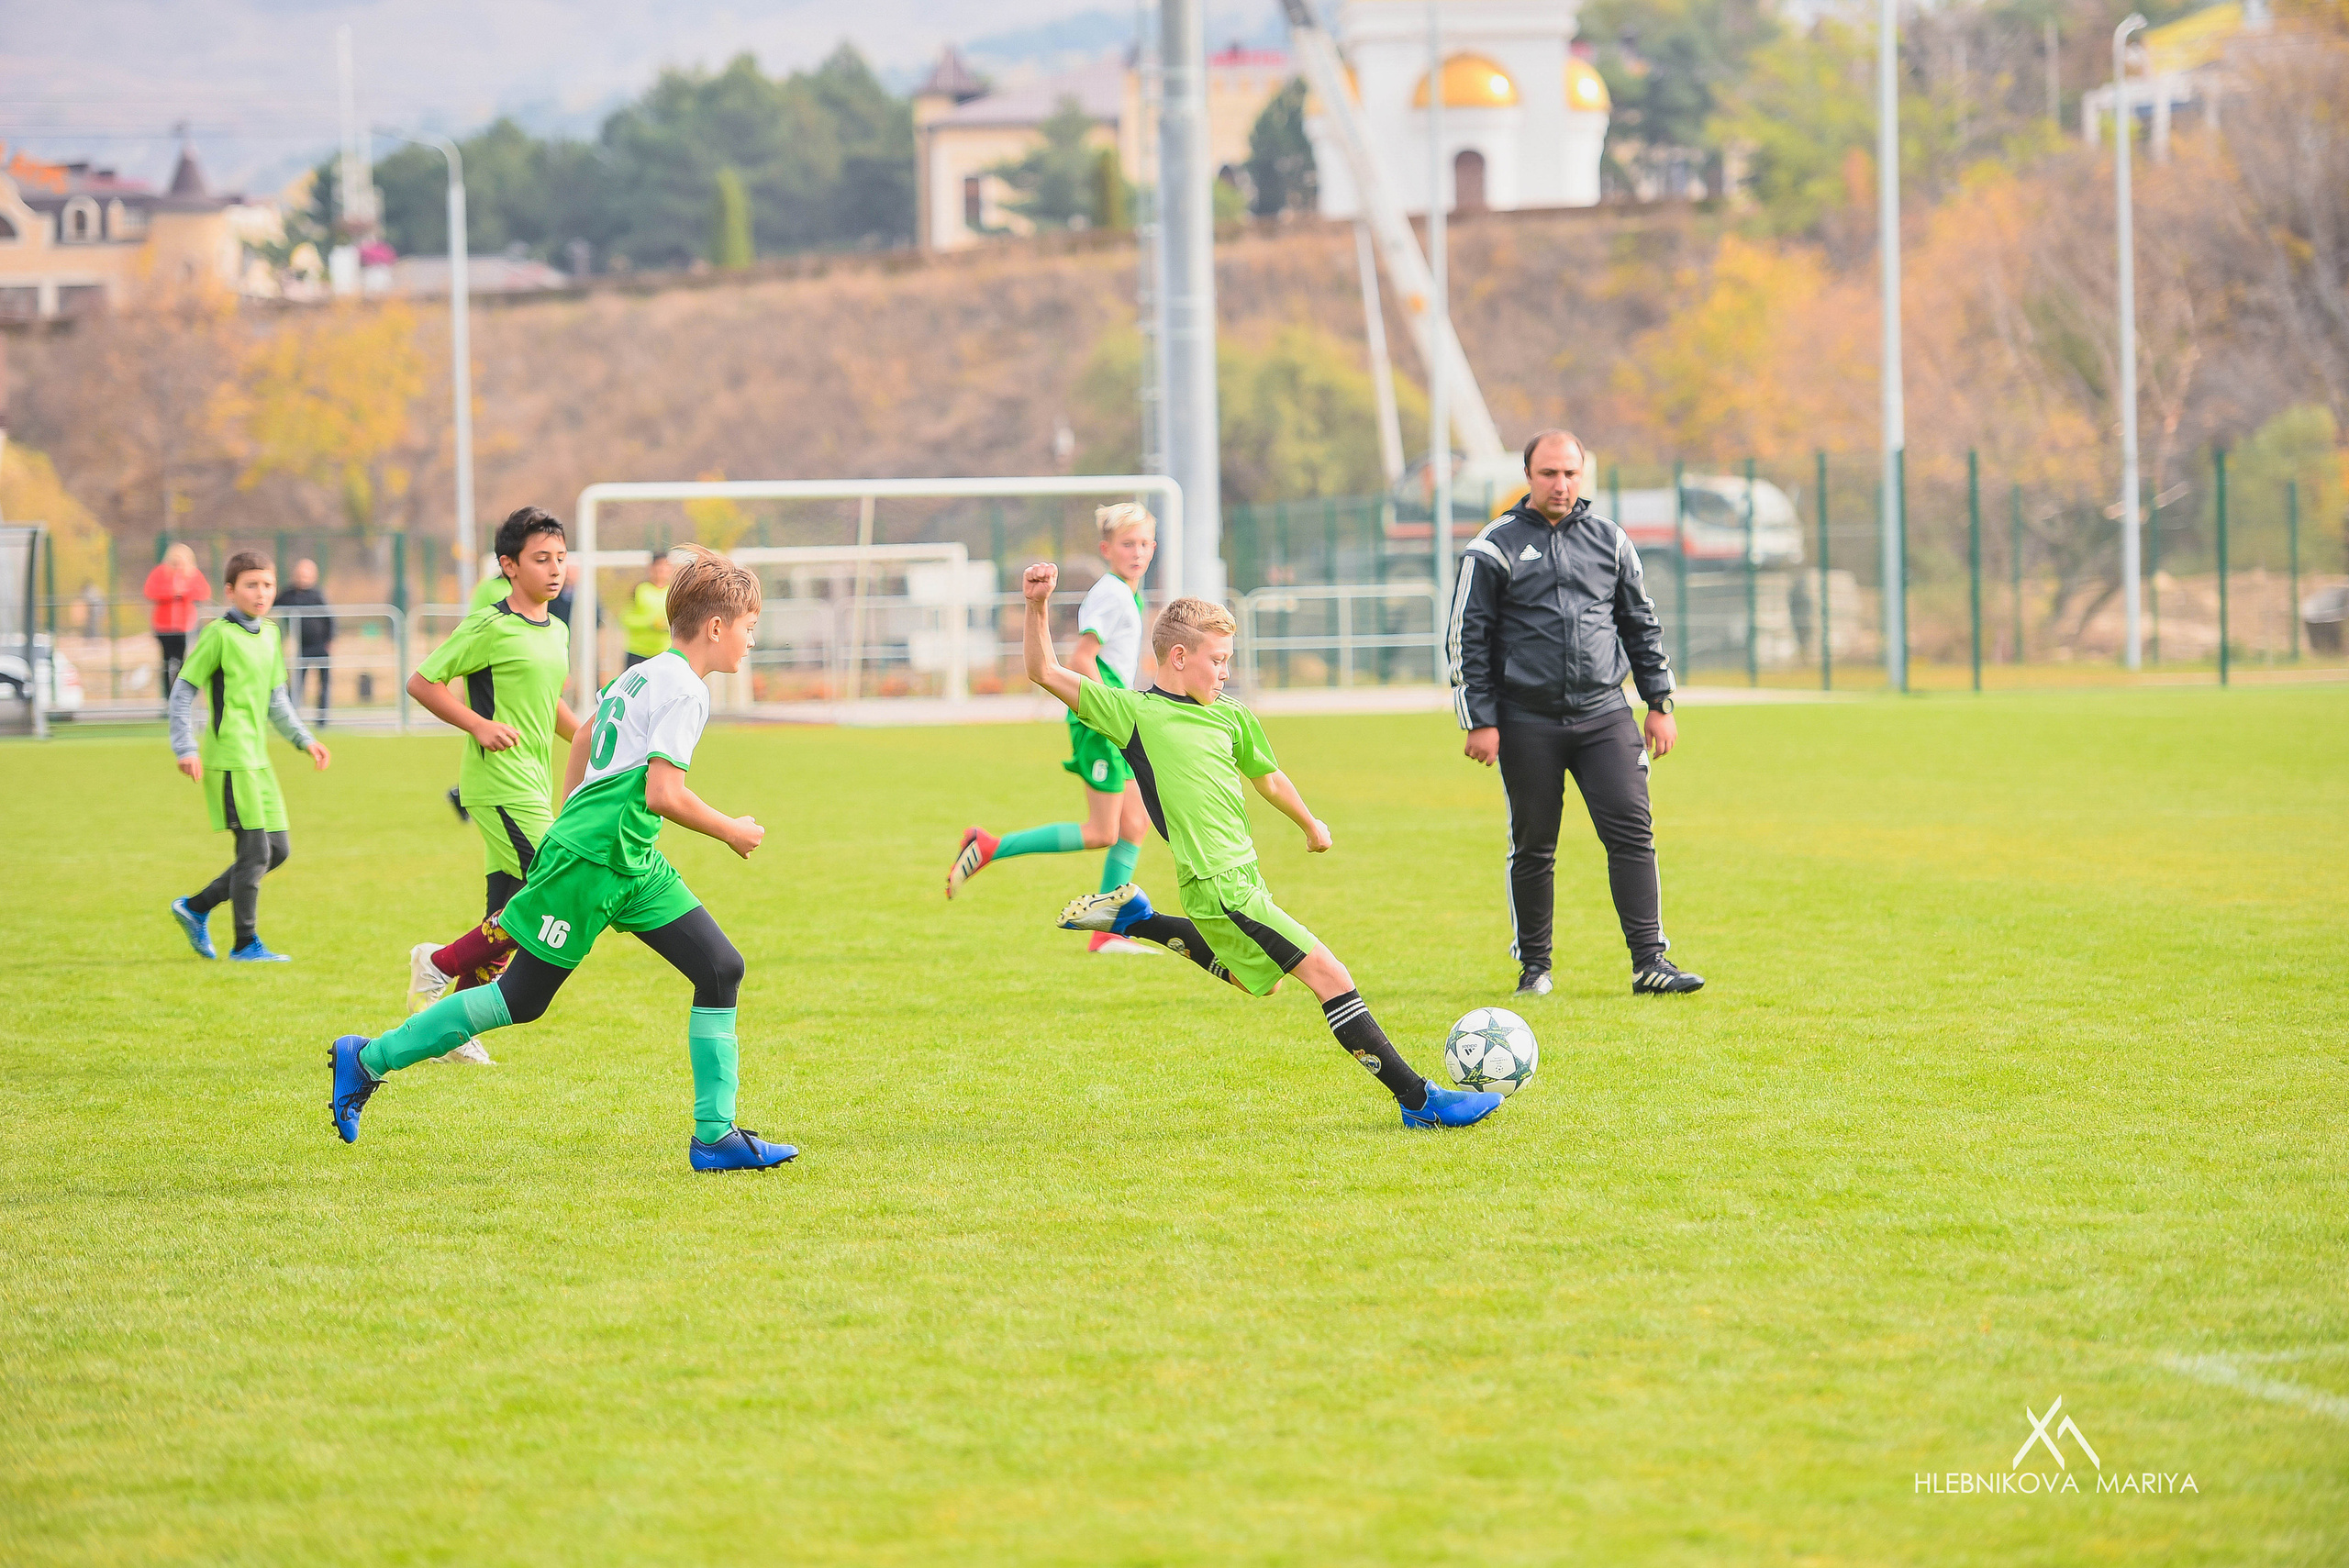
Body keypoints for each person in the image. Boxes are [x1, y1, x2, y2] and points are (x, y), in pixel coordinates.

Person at [328, 545, 794, 1172]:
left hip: (629, 861)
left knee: (720, 967)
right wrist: (730, 829)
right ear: (716, 627)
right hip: (593, 861)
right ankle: (367, 1059)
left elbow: (586, 734)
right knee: (523, 997)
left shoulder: (643, 672)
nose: (752, 641)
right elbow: (663, 793)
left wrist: (572, 809)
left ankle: (715, 1137)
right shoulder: (687, 690)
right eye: (749, 627)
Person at [1026, 573, 1505, 1130]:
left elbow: (1269, 778)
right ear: (1178, 657)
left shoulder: (1230, 714)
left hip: (1243, 878)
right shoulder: (1132, 712)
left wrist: (1310, 823)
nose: (1226, 672)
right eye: (1217, 660)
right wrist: (1037, 604)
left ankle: (1140, 921)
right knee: (1329, 974)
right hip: (1216, 883)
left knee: (1265, 980)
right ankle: (1419, 1101)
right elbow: (1045, 671)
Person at [1449, 428, 1704, 999]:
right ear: (1528, 476)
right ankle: (1535, 969)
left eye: (1570, 473)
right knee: (1534, 846)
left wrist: (1659, 702)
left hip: (1604, 715)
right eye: (1548, 473)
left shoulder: (1610, 540)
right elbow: (1467, 638)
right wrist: (1479, 719)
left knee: (1633, 833)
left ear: (1582, 475)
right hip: (1526, 721)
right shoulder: (1493, 547)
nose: (1560, 484)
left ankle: (1650, 963)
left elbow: (1641, 625)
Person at [402, 507, 584, 1066]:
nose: (555, 569)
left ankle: (451, 1030)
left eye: (560, 557)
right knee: (553, 886)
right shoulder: (489, 625)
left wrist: (590, 739)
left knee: (507, 908)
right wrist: (478, 724)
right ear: (509, 565)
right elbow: (422, 681)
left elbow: (546, 703)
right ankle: (438, 963)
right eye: (540, 559)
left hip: (534, 782)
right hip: (498, 783)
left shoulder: (558, 630)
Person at [946, 503, 1159, 954]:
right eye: (1128, 544)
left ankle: (1107, 932)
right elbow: (1081, 658)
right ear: (1106, 549)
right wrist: (1112, 711)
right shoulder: (1112, 594)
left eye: (1144, 543)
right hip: (1101, 722)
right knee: (1103, 831)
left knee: (1134, 824)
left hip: (1115, 718)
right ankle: (989, 846)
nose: (1137, 552)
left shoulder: (1129, 593)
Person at [167, 552, 332, 962]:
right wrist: (185, 747)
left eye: (268, 585)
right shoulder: (218, 635)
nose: (261, 593)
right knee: (255, 852)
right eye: (251, 585)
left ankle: (196, 907)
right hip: (228, 759)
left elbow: (277, 700)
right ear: (230, 590)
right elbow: (183, 691)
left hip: (259, 761)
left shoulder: (271, 634)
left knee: (278, 850)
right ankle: (245, 944)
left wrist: (304, 739)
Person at [274, 558, 335, 725]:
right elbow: (273, 604)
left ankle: (322, 719)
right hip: (303, 646)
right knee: (297, 683)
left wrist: (330, 640)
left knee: (323, 684)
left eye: (306, 575)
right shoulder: (289, 594)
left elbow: (330, 619)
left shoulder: (318, 595)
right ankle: (291, 717)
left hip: (321, 645)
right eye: (300, 575)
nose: (302, 579)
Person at [143, 542, 208, 694]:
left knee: (183, 660)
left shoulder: (192, 573)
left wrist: (185, 592)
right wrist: (172, 593)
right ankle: (168, 695)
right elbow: (150, 591)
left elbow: (203, 593)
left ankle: (182, 693)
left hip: (185, 626)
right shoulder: (160, 572)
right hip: (164, 626)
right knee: (166, 662)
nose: (178, 565)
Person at [621, 550, 674, 669]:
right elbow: (626, 619)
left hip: (664, 652)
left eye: (665, 566)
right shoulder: (640, 590)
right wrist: (650, 624)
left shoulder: (673, 592)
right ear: (651, 568)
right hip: (638, 652)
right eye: (658, 566)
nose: (661, 570)